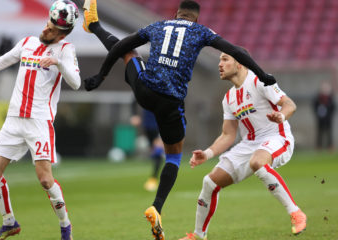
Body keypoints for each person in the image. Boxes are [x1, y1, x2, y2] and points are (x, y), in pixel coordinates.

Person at [82, 0, 276, 239]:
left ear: (177, 14)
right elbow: (236, 51)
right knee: (173, 155)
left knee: (127, 51)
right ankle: (157, 207)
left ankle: (94, 26)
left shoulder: (158, 25)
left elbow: (121, 45)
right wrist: (262, 74)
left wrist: (100, 76)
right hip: (171, 103)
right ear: (195, 17)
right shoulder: (201, 31)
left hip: (145, 90)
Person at [0, 1, 80, 239]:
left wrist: (58, 62)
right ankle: (9, 222)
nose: (46, 29)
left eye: (53, 28)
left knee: (45, 180)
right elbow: (0, 63)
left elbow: (75, 82)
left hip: (39, 121)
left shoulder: (65, 50)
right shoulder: (27, 42)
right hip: (14, 119)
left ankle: (65, 226)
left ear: (63, 33)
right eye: (48, 23)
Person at [178, 52, 307, 240]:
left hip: (277, 137)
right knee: (210, 182)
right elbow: (228, 135)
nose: (219, 64)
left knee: (258, 162)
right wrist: (207, 153)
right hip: (249, 145)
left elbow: (290, 104)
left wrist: (282, 115)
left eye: (224, 59)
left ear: (239, 63)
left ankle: (296, 213)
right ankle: (198, 236)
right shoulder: (228, 98)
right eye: (219, 59)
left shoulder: (260, 82)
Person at [130, 101, 164, 192]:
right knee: (154, 152)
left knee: (158, 152)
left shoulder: (166, 88)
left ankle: (153, 179)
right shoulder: (146, 86)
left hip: (161, 124)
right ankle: (155, 178)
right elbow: (133, 100)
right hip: (148, 125)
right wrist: (134, 115)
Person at [313, 81, 335, 151]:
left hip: (328, 118)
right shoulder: (318, 98)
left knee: (329, 132)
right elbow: (314, 106)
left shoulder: (330, 98)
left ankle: (330, 146)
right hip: (320, 118)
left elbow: (333, 107)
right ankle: (319, 146)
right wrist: (318, 114)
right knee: (320, 132)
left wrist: (330, 115)